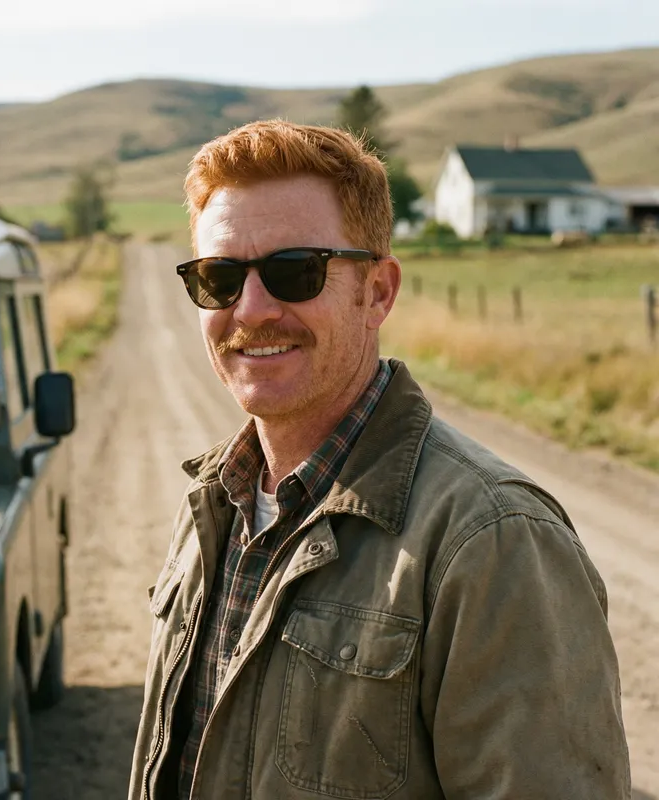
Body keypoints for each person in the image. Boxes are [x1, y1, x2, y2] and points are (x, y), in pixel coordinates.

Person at [129, 120, 630, 800]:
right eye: (219, 278)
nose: (251, 310)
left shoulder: (495, 540)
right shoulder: (215, 503)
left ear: (378, 292)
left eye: (295, 271)